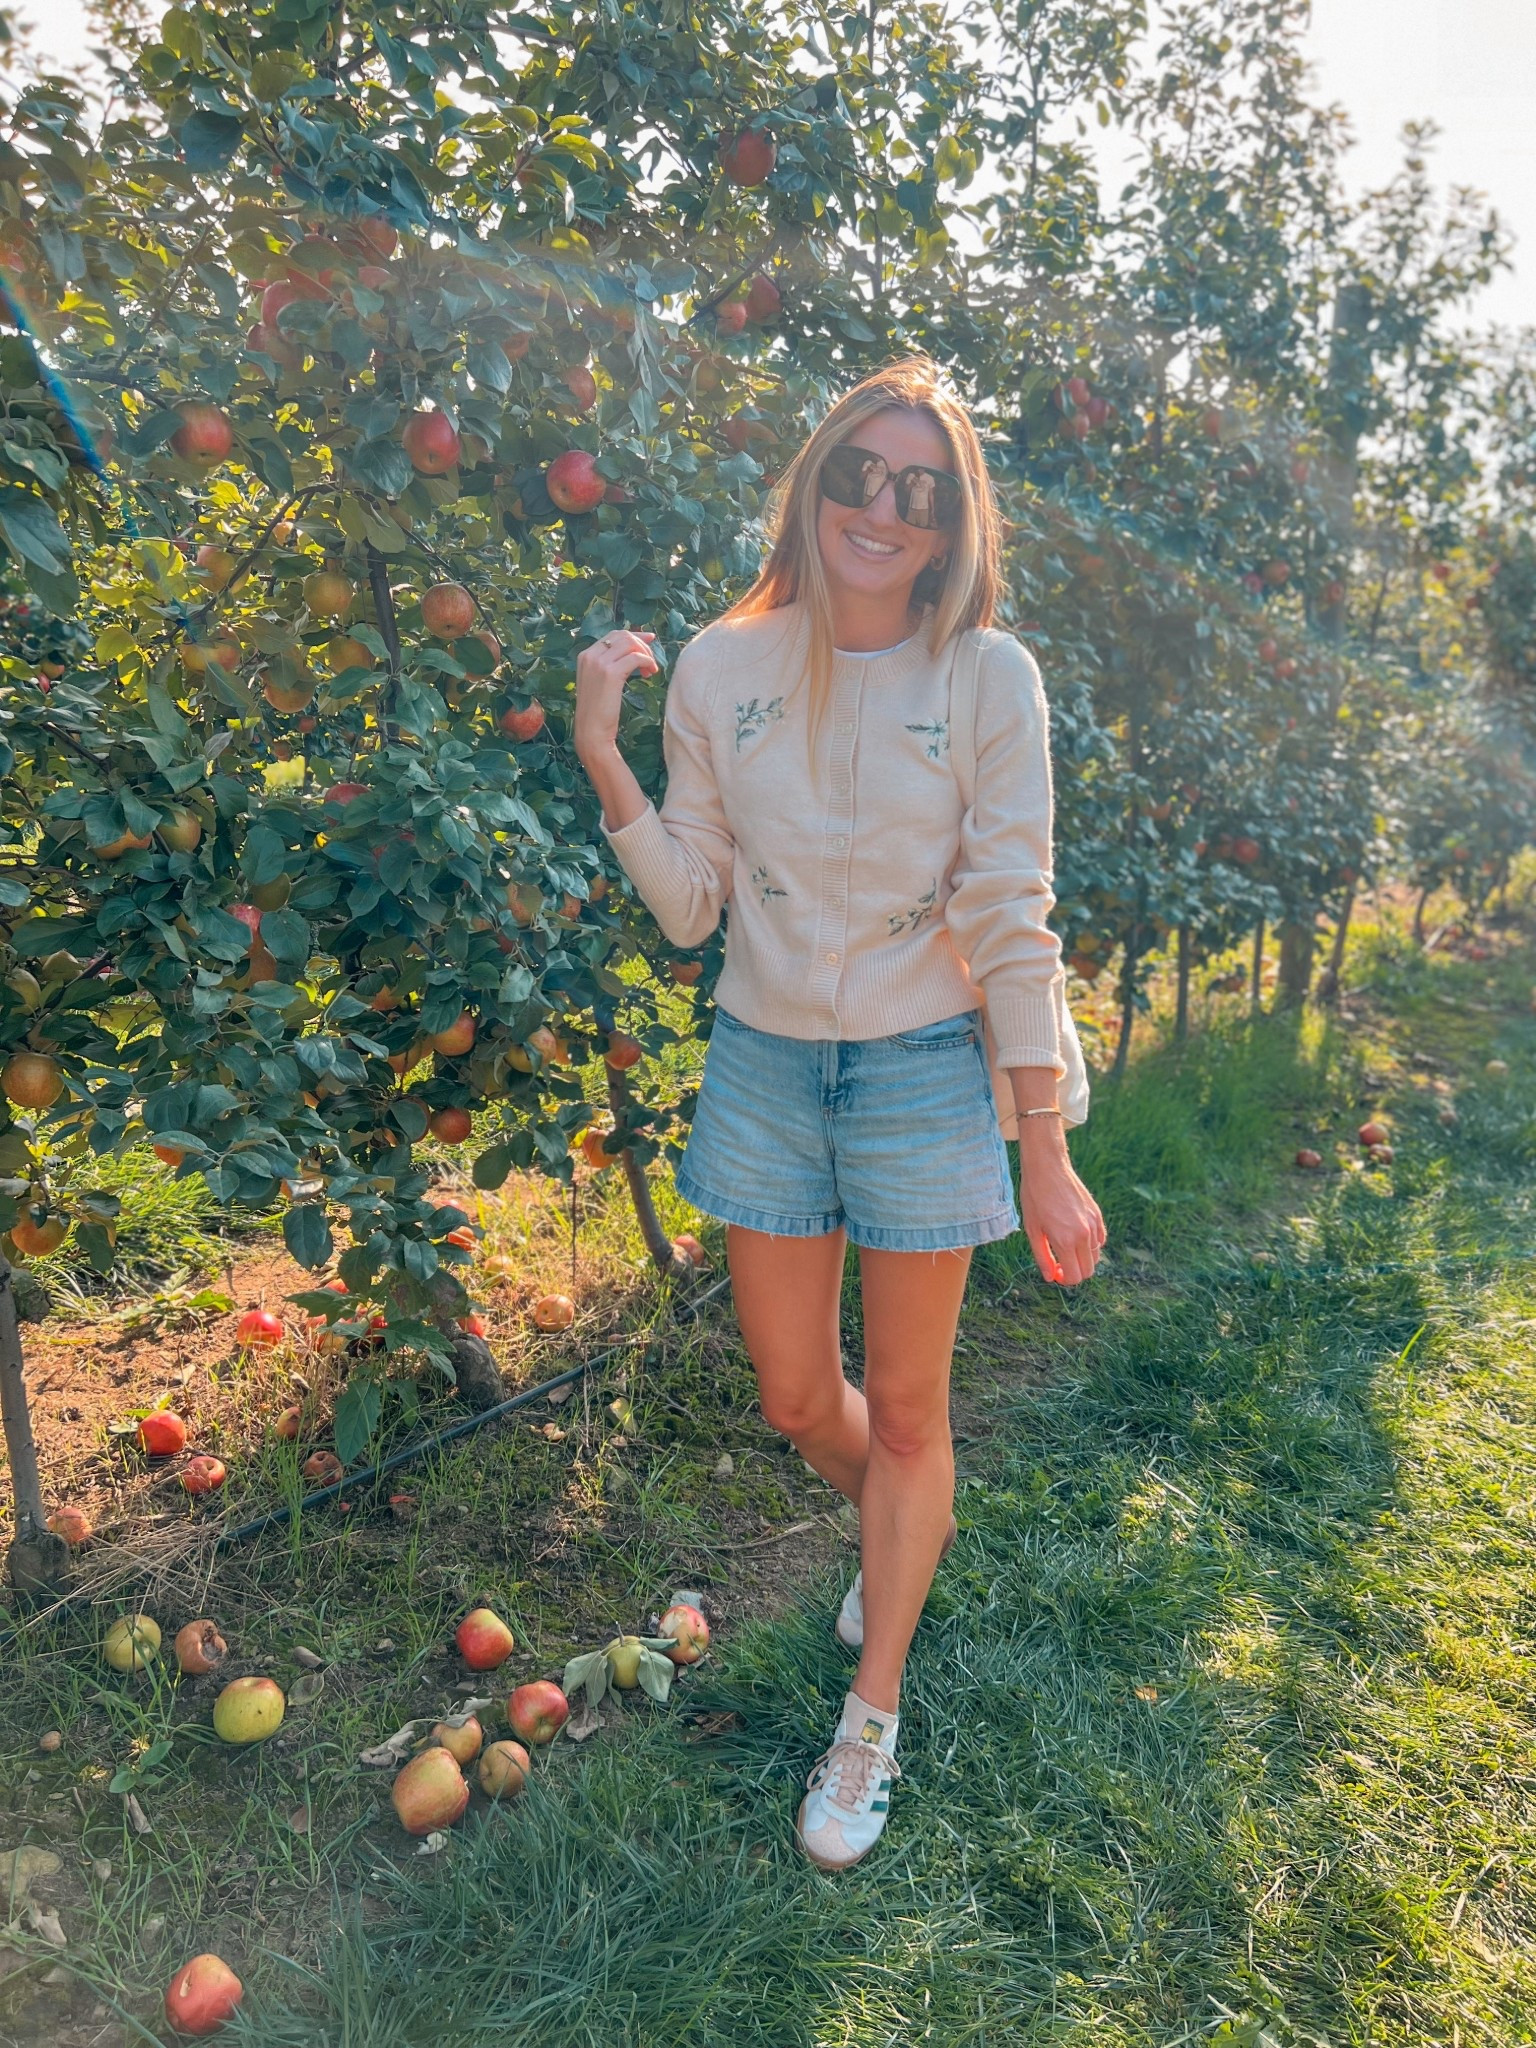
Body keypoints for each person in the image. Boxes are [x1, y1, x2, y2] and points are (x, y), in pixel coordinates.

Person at [573, 353, 1105, 1871]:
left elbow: (1012, 912)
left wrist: (1045, 1144)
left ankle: (871, 1713)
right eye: (858, 476)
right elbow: (689, 908)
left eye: (918, 490)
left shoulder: (986, 679)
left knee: (917, 1412)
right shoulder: (723, 667)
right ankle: (902, 1533)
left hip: (925, 1064)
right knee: (803, 1401)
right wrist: (608, 755)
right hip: (763, 1063)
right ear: (813, 486)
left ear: (949, 525)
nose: (883, 508)